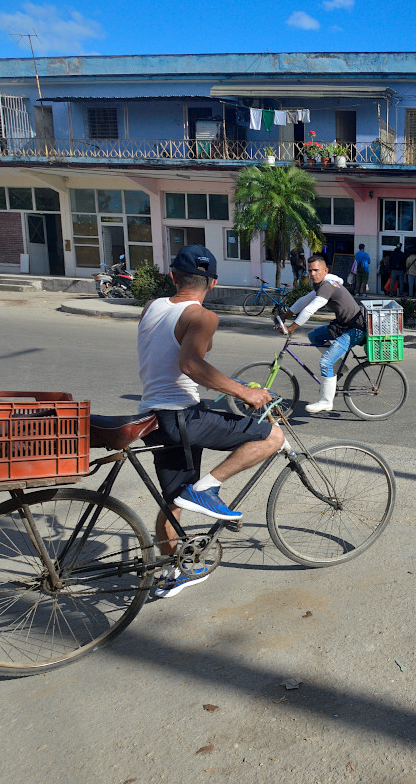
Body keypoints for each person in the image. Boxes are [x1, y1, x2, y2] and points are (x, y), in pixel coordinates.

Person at [137, 247, 284, 597]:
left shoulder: (152, 307)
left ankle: (175, 571)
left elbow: (170, 358)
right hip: (180, 417)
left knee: (175, 505)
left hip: (154, 418)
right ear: (213, 283)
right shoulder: (202, 316)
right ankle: (208, 489)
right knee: (273, 436)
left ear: (172, 276)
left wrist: (228, 387)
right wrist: (244, 392)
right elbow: (190, 364)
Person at [280, 254, 369, 412]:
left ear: (325, 270)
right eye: (310, 271)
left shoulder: (327, 286)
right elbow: (303, 301)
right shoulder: (322, 285)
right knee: (314, 336)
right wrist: (284, 316)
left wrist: (291, 328)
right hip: (344, 326)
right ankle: (338, 367)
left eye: (316, 270)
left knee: (325, 362)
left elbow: (311, 308)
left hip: (355, 329)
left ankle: (327, 401)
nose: (312, 274)